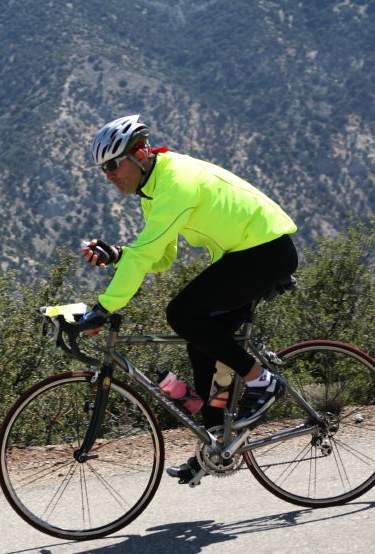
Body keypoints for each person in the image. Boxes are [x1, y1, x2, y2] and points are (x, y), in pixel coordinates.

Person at [79, 115, 299, 484]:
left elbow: (146, 256)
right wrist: (118, 253)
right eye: (103, 169)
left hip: (265, 252)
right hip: (248, 254)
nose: (109, 175)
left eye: (113, 165)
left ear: (138, 154)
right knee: (202, 347)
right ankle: (216, 446)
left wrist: (105, 308)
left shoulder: (175, 182)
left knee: (181, 313)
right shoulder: (153, 188)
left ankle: (262, 381)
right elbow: (161, 256)